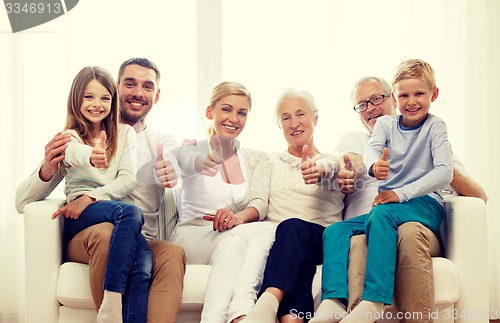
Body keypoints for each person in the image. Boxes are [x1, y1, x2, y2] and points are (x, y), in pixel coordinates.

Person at [15, 58, 186, 323]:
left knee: (172, 253)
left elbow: (176, 159)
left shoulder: (160, 141)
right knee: (107, 233)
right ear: (117, 88)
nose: (138, 93)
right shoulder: (76, 137)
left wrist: (172, 168)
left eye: (147, 86)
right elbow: (22, 201)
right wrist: (49, 168)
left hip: (140, 237)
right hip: (91, 234)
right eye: (130, 84)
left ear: (157, 95)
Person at [313, 71, 487, 323]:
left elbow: (478, 194)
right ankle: (334, 302)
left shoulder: (432, 131)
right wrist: (362, 167)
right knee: (338, 232)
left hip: (416, 216)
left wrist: (444, 163)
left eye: (376, 99)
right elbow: (355, 159)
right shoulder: (359, 138)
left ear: (391, 100)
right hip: (374, 219)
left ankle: (377, 303)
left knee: (404, 228)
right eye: (362, 105)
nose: (371, 108)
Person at [48, 65, 149, 323]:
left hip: (104, 208)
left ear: (113, 101)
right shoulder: (70, 136)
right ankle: (111, 299)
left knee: (143, 257)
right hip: (80, 217)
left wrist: (91, 197)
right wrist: (91, 156)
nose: (97, 104)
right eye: (89, 97)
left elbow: (128, 180)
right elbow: (72, 153)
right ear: (76, 100)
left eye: (105, 98)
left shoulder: (124, 133)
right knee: (132, 212)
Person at [169, 81, 275, 323]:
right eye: (226, 109)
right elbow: (185, 161)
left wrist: (236, 218)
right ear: (210, 112)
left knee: (235, 246)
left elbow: (259, 204)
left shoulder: (252, 158)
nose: (234, 118)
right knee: (260, 231)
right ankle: (243, 309)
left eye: (242, 112)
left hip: (228, 236)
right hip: (192, 235)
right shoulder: (192, 149)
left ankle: (219, 318)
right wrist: (200, 161)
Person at [242, 88, 344, 323]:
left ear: (315, 118)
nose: (294, 123)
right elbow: (257, 202)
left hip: (323, 239)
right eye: (285, 118)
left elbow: (333, 169)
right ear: (279, 126)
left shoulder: (332, 161)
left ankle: (268, 301)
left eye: (300, 114)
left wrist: (317, 170)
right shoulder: (268, 161)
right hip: (284, 245)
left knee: (293, 228)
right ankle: (292, 320)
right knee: (298, 255)